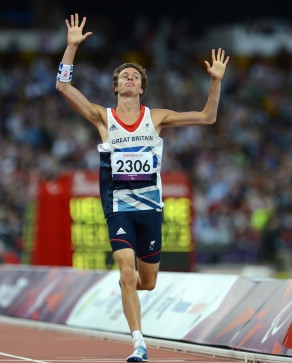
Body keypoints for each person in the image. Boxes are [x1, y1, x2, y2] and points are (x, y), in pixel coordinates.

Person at [56, 13, 230, 363]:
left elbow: (208, 117)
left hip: (150, 209)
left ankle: (127, 292)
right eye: (124, 76)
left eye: (135, 75)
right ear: (117, 86)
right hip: (118, 206)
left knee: (146, 282)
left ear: (142, 86)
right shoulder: (103, 118)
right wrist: (71, 47)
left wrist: (215, 82)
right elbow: (63, 87)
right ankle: (138, 342)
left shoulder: (158, 117)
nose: (130, 78)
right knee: (126, 271)